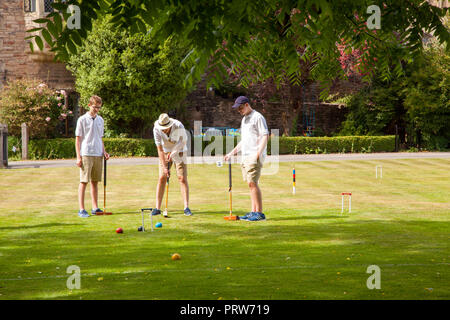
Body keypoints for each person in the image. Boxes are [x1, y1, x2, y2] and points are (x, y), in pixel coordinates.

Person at [224, 96, 269, 221]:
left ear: (247, 104)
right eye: (238, 109)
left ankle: (259, 213)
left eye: (240, 108)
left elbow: (265, 135)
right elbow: (244, 141)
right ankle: (253, 211)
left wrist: (258, 154)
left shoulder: (258, 117)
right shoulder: (244, 120)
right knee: (250, 184)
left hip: (254, 155)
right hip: (245, 156)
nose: (239, 111)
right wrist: (231, 153)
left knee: (253, 183)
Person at [75, 95, 110, 218]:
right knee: (84, 181)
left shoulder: (100, 120)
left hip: (97, 154)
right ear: (89, 105)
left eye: (99, 108)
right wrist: (78, 157)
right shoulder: (82, 120)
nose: (97, 110)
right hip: (86, 153)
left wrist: (104, 151)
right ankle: (81, 209)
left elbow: (100, 138)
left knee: (95, 181)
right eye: (95, 107)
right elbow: (78, 139)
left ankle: (95, 207)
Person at [152, 113, 192, 217]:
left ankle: (186, 207)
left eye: (165, 128)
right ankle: (157, 208)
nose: (164, 130)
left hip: (180, 150)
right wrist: (165, 167)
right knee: (162, 177)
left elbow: (183, 141)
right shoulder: (156, 128)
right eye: (162, 128)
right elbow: (159, 149)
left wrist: (173, 152)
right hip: (165, 151)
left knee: (182, 178)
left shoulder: (178, 125)